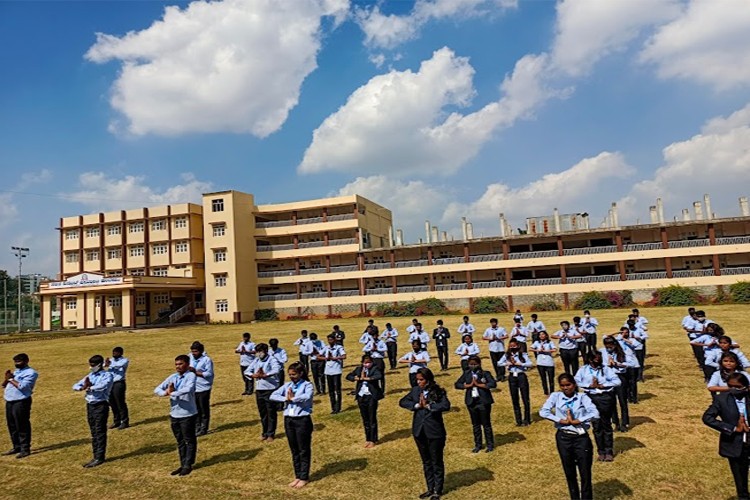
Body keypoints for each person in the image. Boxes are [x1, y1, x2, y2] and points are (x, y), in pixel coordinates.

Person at [540, 374, 599, 500]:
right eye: (562, 385)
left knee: (585, 472)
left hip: (581, 438)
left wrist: (579, 420)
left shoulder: (582, 397)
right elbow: (543, 411)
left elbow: (595, 413)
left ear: (574, 384)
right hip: (564, 437)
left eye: (568, 385)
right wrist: (560, 420)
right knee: (569, 471)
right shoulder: (556, 396)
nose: (566, 388)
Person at [399, 368, 451, 500]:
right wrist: (417, 405)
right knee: (426, 461)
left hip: (434, 432)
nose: (418, 382)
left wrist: (429, 406)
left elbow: (445, 405)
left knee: (436, 460)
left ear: (428, 380)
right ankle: (430, 487)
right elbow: (402, 402)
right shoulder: (416, 391)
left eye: (421, 380)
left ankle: (437, 491)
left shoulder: (438, 391)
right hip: (419, 430)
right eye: (417, 379)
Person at [703, 372, 750, 500]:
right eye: (731, 386)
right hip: (734, 443)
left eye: (738, 387)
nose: (734, 390)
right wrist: (733, 428)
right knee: (740, 477)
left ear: (747, 387)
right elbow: (707, 418)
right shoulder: (722, 399)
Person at [270, 362, 315, 489]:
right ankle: (297, 475)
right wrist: (286, 398)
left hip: (302, 420)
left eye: (294, 374)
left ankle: (304, 476)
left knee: (303, 449)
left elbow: (307, 397)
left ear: (301, 373)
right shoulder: (287, 385)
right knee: (294, 449)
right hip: (289, 419)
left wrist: (293, 398)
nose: (291, 377)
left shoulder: (307, 385)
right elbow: (273, 395)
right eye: (290, 375)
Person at [154, 354, 198, 476]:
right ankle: (182, 462)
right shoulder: (173, 377)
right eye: (176, 364)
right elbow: (157, 389)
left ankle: (188, 464)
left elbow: (188, 389)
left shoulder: (191, 376)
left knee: (189, 440)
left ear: (187, 364)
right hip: (175, 414)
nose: (178, 367)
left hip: (188, 414)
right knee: (180, 440)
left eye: (180, 364)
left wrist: (173, 393)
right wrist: (165, 393)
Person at [574, 352, 621, 462]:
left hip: (605, 397)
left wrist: (603, 385)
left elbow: (617, 381)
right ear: (590, 360)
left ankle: (609, 451)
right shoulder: (584, 370)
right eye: (596, 359)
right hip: (591, 397)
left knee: (606, 425)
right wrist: (589, 386)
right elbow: (576, 381)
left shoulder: (606, 369)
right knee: (596, 425)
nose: (598, 361)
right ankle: (601, 451)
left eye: (599, 359)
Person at [73, 355, 114, 468]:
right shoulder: (90, 375)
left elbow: (102, 386)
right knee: (93, 431)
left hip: (101, 405)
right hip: (90, 405)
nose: (91, 367)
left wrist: (90, 387)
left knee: (99, 431)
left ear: (100, 365)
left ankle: (99, 457)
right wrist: (81, 387)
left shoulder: (107, 375)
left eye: (93, 365)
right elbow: (76, 385)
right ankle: (95, 454)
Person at [454, 355, 496, 452]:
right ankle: (478, 444)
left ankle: (490, 445)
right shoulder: (466, 374)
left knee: (486, 424)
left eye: (474, 364)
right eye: (471, 364)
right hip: (471, 401)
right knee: (475, 424)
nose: (473, 366)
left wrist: (479, 385)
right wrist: (467, 385)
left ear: (479, 364)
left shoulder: (485, 373)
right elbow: (457, 384)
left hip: (483, 401)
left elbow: (492, 384)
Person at [2, 353, 38, 459]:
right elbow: (4, 385)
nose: (17, 364)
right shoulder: (17, 371)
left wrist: (11, 379)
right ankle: (16, 446)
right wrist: (6, 378)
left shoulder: (31, 373)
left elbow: (23, 387)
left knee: (22, 425)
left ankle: (25, 449)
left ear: (26, 361)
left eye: (19, 362)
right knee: (11, 425)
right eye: (15, 362)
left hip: (21, 402)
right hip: (10, 401)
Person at [245, 343, 282, 441]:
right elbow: (247, 371)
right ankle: (264, 432)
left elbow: (276, 369)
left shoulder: (272, 359)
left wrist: (266, 375)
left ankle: (271, 433)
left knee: (271, 412)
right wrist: (253, 375)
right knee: (263, 412)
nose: (258, 354)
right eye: (257, 352)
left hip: (270, 389)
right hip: (259, 390)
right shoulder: (256, 360)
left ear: (265, 351)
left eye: (260, 351)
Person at [346, 354, 384, 448]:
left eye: (368, 362)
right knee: (365, 419)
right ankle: (368, 438)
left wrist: (367, 378)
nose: (367, 364)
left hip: (371, 396)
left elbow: (379, 376)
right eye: (365, 362)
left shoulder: (375, 369)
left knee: (372, 418)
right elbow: (348, 376)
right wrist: (357, 378)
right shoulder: (359, 369)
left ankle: (373, 439)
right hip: (361, 396)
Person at [600, 336, 632, 432]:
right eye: (607, 347)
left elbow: (631, 363)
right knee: (611, 401)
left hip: (620, 376)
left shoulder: (622, 351)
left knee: (622, 401)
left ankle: (624, 423)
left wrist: (619, 364)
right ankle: (615, 422)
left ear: (614, 345)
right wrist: (606, 365)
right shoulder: (602, 351)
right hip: (608, 378)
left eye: (610, 346)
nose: (608, 348)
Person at [499, 340, 533, 426]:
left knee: (525, 398)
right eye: (511, 346)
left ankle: (527, 419)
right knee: (515, 398)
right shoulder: (507, 355)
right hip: (512, 377)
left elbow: (530, 364)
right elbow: (499, 363)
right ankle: (518, 420)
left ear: (517, 346)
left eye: (514, 346)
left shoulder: (523, 354)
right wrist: (508, 363)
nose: (512, 348)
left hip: (521, 376)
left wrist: (520, 364)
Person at [188, 341, 214, 436]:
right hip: (193, 387)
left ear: (201, 351)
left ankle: (204, 428)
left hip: (203, 388)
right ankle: (197, 427)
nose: (194, 353)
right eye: (192, 351)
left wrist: (196, 372)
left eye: (196, 351)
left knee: (203, 409)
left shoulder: (206, 360)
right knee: (195, 409)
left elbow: (209, 374)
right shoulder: (190, 357)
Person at [319, 334, 346, 414]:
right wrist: (325, 358)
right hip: (328, 370)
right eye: (328, 340)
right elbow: (318, 356)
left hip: (336, 370)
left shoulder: (338, 347)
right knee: (331, 390)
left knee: (337, 390)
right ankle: (333, 407)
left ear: (334, 340)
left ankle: (338, 407)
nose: (330, 341)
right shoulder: (326, 348)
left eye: (331, 340)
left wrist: (335, 358)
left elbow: (344, 356)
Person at [616, 327, 642, 404]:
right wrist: (617, 333)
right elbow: (605, 337)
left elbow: (639, 345)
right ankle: (628, 397)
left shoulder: (631, 340)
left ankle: (634, 398)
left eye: (627, 332)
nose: (625, 334)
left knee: (633, 382)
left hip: (633, 365)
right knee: (625, 383)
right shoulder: (618, 341)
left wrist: (626, 340)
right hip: (624, 364)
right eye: (623, 332)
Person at [105, 347, 129, 430]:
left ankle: (124, 421)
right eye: (113, 352)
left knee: (120, 402)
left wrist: (109, 364)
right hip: (110, 383)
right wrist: (106, 364)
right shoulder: (111, 360)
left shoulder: (125, 360)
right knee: (112, 403)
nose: (114, 354)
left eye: (116, 353)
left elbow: (119, 365)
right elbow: (105, 365)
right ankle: (116, 421)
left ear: (121, 353)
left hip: (119, 383)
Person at [531, 331, 556, 395]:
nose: (541, 336)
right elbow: (531, 348)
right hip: (540, 363)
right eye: (540, 335)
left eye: (543, 334)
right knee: (543, 378)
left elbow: (554, 349)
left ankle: (552, 391)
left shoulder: (550, 342)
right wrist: (538, 350)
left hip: (549, 363)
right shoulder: (537, 342)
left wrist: (546, 351)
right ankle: (545, 391)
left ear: (546, 335)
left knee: (551, 378)